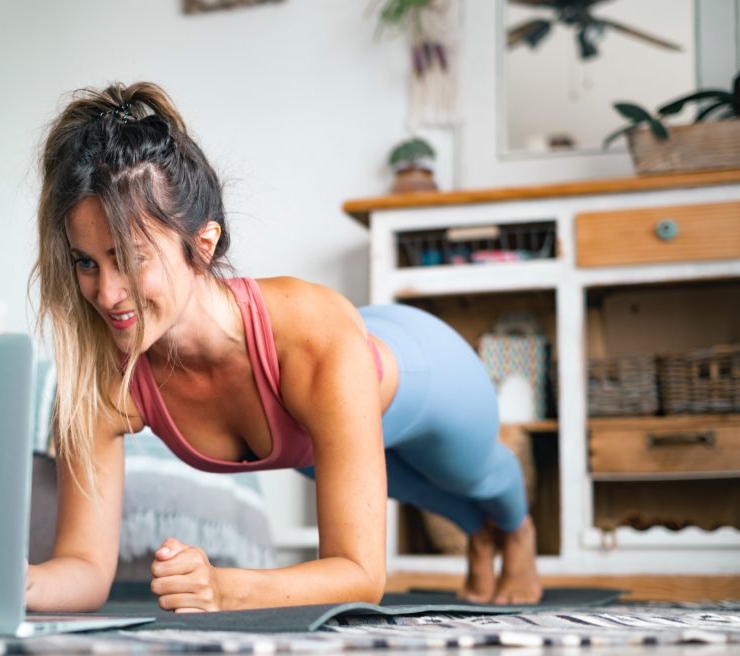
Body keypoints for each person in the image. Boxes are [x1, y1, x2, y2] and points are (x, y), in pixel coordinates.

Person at [26, 82, 542, 613]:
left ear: (201, 247)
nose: (107, 294)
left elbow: (364, 576)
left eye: (129, 260)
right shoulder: (103, 381)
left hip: (425, 369)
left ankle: (516, 532)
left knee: (474, 474)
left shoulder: (312, 337)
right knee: (419, 490)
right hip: (313, 425)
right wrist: (19, 582)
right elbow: (84, 569)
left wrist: (226, 589)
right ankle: (480, 538)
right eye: (86, 262)